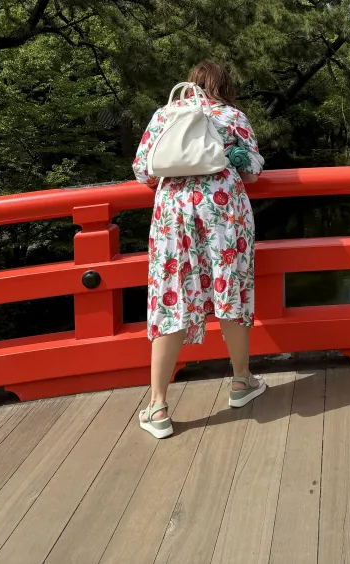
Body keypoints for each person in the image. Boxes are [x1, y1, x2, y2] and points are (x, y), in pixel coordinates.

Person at [132, 61, 267, 438]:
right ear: (225, 86)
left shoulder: (166, 114)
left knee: (171, 295)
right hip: (224, 212)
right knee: (230, 290)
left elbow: (144, 172)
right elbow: (253, 172)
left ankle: (158, 406)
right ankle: (241, 382)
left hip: (174, 214)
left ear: (190, 84)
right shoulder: (233, 117)